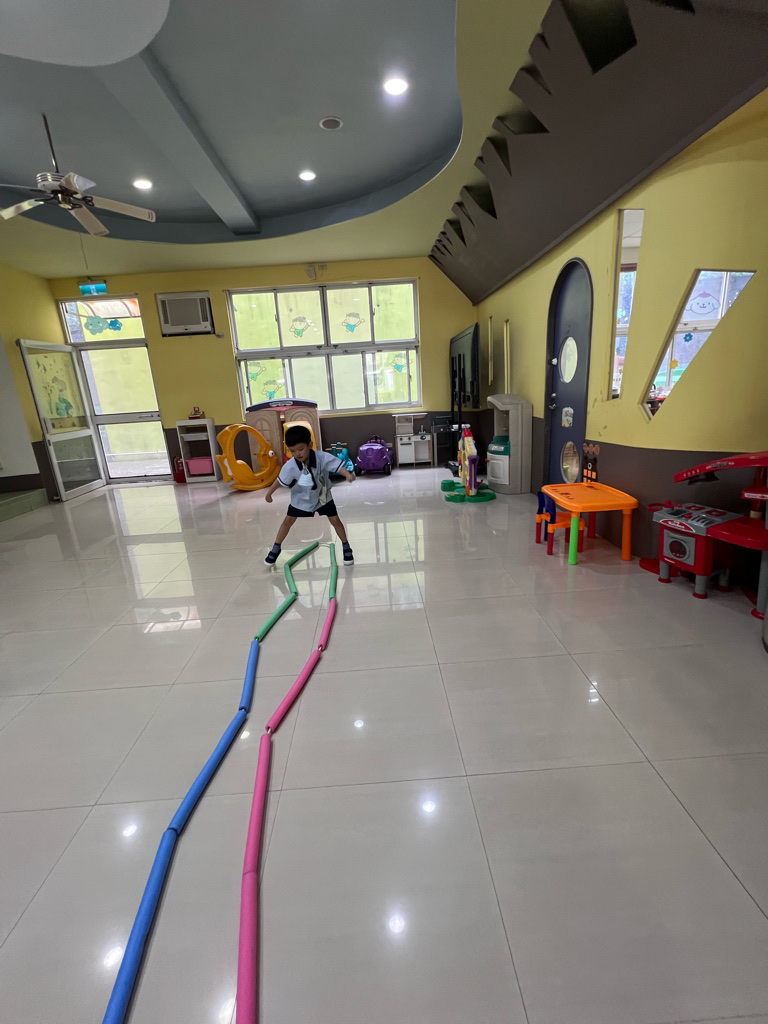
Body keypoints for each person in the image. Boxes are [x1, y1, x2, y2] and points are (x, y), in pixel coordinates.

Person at [264, 425, 355, 565]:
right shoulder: (290, 465)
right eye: (293, 451)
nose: (297, 454)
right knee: (288, 521)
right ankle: (276, 548)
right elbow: (280, 480)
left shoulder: (321, 457)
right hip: (301, 498)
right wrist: (269, 493)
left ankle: (346, 546)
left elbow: (336, 466)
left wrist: (347, 475)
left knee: (335, 520)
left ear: (310, 445)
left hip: (323, 496)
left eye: (301, 449)